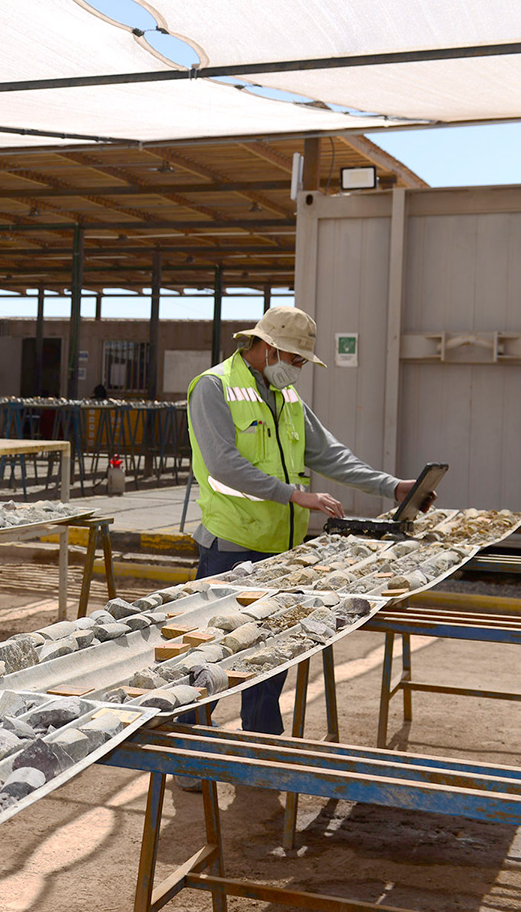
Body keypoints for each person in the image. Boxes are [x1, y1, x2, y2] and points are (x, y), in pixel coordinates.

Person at [180, 306, 433, 778]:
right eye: (296, 359)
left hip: (281, 547)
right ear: (269, 347)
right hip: (230, 546)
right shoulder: (213, 387)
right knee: (213, 655)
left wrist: (391, 486)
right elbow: (223, 464)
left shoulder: (286, 395)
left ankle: (260, 748)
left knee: (270, 654)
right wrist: (295, 495)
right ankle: (189, 757)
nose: (298, 369)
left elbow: (329, 454)